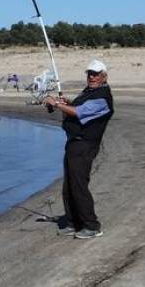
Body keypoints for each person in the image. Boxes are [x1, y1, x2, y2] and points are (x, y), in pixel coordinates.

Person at [43, 59, 114, 239]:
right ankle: (74, 221)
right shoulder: (91, 91)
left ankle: (91, 225)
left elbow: (79, 112)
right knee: (69, 186)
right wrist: (66, 102)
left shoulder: (102, 97)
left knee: (79, 185)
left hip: (85, 145)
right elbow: (78, 107)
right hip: (74, 143)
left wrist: (57, 104)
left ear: (104, 76)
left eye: (96, 74)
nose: (91, 76)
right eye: (89, 73)